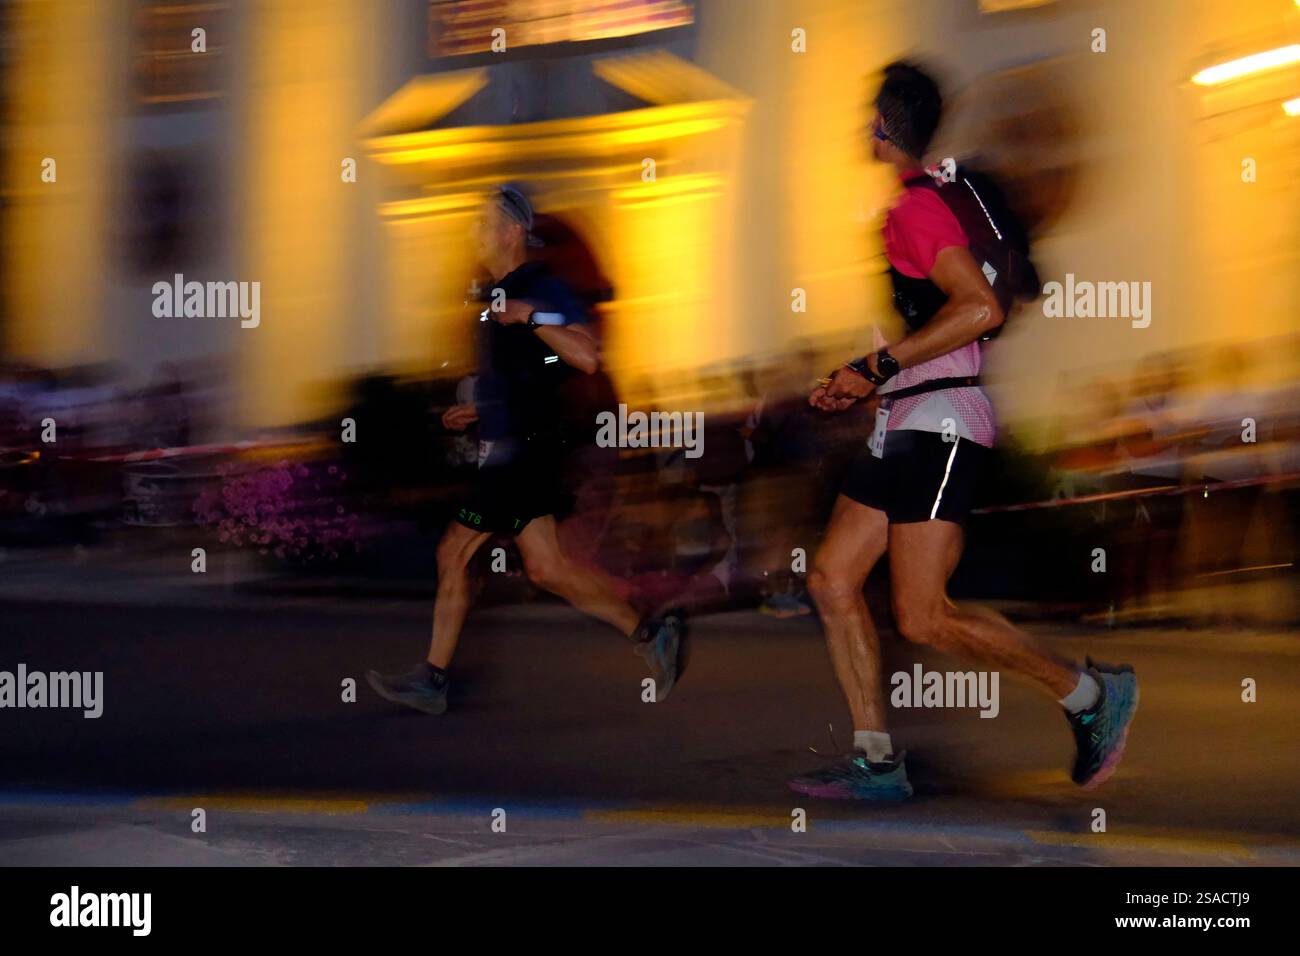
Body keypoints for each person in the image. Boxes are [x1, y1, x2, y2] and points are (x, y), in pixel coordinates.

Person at [789, 63, 1138, 800]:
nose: (863, 126)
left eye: (868, 115)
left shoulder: (918, 210)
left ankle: (1090, 697)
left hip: (941, 423)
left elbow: (981, 307)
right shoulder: (915, 207)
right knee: (831, 578)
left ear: (883, 124)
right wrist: (861, 378)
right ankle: (877, 760)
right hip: (906, 418)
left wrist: (873, 364)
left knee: (922, 615)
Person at [366, 184, 686, 715]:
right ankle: (651, 632)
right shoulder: (496, 297)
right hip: (520, 444)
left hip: (527, 451)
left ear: (513, 230)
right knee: (547, 569)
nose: (475, 232)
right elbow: (536, 375)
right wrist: (480, 409)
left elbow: (585, 356)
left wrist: (532, 315)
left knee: (454, 549)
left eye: (483, 222)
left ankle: (433, 678)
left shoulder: (540, 285)